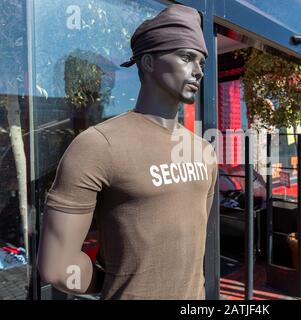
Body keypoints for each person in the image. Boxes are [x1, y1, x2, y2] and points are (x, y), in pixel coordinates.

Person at [37, 4, 218, 300]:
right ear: (148, 62)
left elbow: (195, 245)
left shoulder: (203, 151)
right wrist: (112, 283)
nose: (198, 71)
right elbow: (57, 268)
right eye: (186, 57)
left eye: (201, 61)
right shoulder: (99, 145)